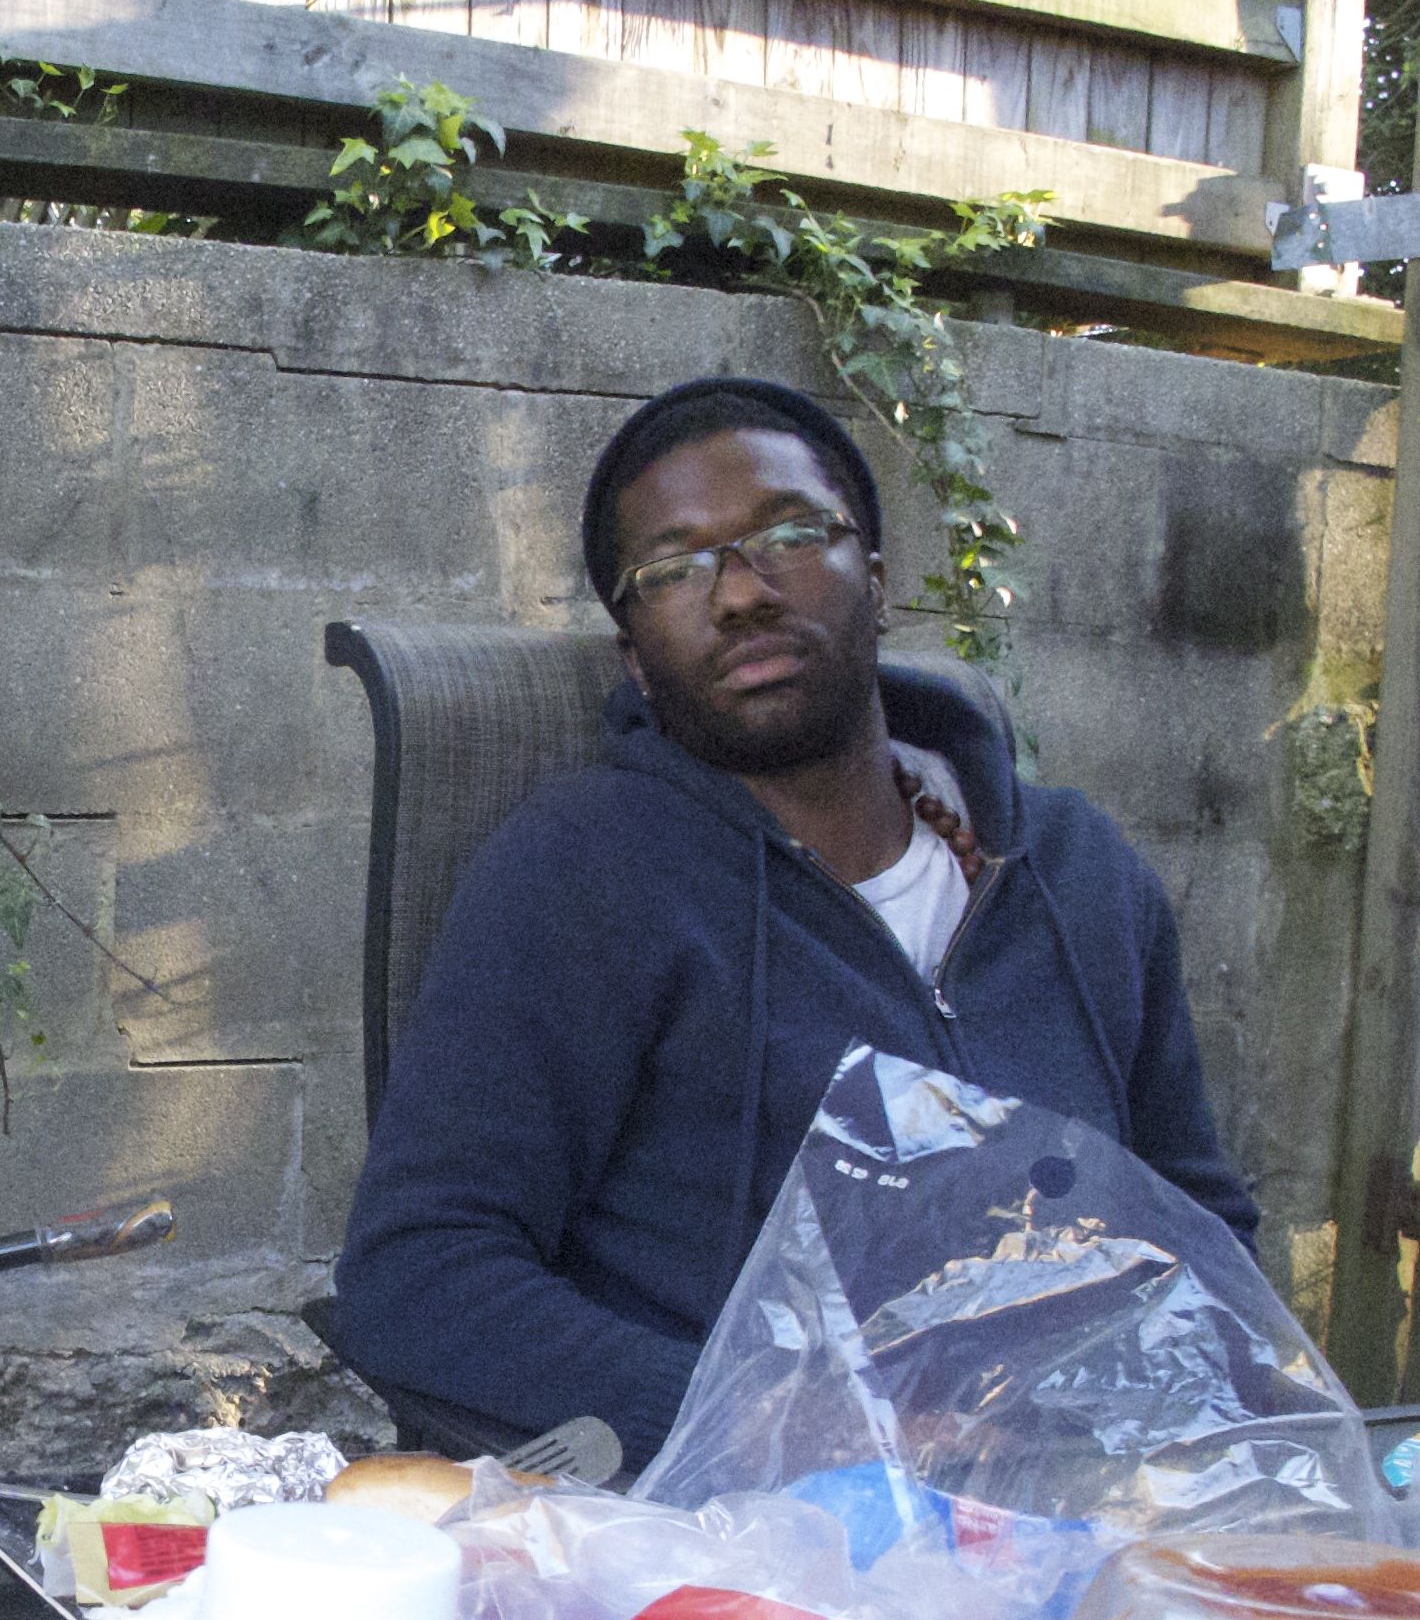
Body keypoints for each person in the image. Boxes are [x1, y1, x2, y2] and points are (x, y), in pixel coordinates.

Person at [331, 374, 1255, 1464]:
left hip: (1094, 1490)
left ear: (877, 576)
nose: (738, 593)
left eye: (788, 535)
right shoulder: (583, 877)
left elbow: (1202, 1229)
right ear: (635, 656)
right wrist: (766, 1419)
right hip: (752, 1523)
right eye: (673, 568)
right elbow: (418, 1273)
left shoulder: (1077, 874)